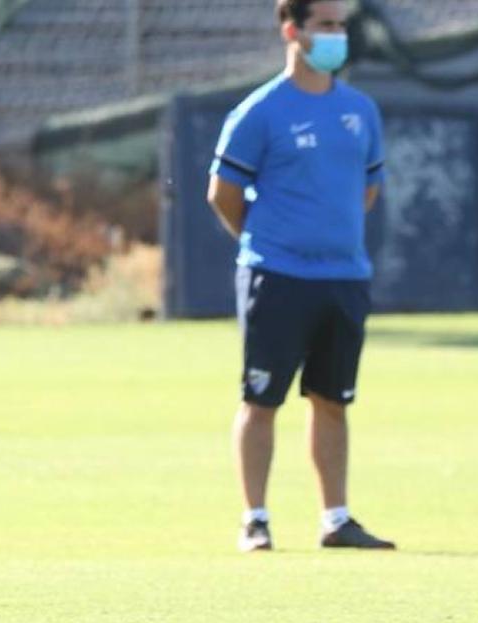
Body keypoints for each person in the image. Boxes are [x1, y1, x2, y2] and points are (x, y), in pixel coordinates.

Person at [207, 0, 396, 552]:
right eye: (326, 26)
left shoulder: (360, 110)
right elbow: (222, 193)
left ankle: (336, 518)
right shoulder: (260, 112)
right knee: (262, 399)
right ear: (293, 30)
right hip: (276, 275)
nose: (337, 36)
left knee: (333, 400)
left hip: (343, 277)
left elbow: (366, 188)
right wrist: (267, 241)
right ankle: (255, 519)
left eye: (341, 26)